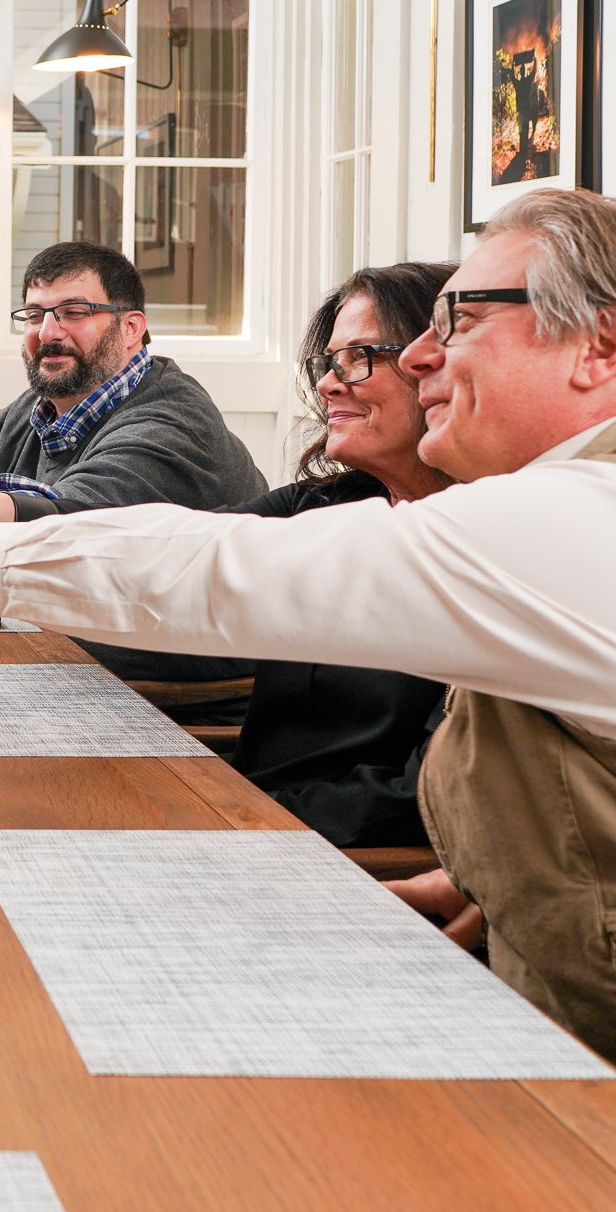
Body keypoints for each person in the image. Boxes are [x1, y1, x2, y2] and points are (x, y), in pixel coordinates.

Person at [0, 189, 616, 1172]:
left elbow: (228, 573)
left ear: (603, 343)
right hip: (579, 1071)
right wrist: (511, 878)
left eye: (461, 319)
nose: (416, 356)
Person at [213, 262, 456, 847]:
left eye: (359, 358)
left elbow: (416, 799)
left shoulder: (483, 545)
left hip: (335, 856)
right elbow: (177, 551)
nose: (328, 384)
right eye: (330, 362)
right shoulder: (326, 504)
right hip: (250, 819)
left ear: (436, 365)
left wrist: (243, 814)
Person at [0, 239, 266, 523]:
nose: (48, 332)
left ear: (131, 328)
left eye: (74, 312)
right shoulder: (29, 414)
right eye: (35, 315)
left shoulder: (173, 423)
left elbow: (73, 526)